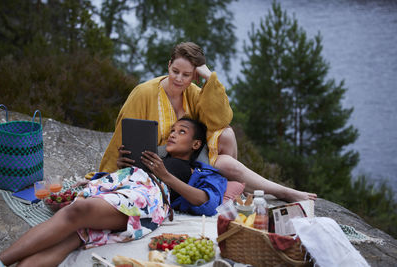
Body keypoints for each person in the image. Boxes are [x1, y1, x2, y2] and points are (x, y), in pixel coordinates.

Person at [99, 41, 316, 202]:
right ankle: (280, 191)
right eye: (175, 71)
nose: (178, 79)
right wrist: (107, 175)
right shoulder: (144, 93)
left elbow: (221, 119)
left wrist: (208, 77)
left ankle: (235, 188)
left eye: (186, 74)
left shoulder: (193, 92)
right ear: (168, 65)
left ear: (194, 75)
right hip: (160, 161)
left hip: (190, 155)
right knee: (228, 162)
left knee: (227, 134)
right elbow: (124, 134)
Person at [0, 118, 227, 267]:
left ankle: (0, 260)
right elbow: (133, 177)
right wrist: (125, 167)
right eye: (173, 130)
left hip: (150, 195)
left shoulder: (199, 171)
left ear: (196, 145)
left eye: (182, 131)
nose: (173, 134)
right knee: (72, 236)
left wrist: (164, 175)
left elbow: (205, 202)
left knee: (78, 210)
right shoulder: (156, 158)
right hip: (127, 186)